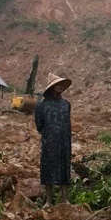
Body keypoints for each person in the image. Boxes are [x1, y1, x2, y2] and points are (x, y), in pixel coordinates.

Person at [35, 74, 72, 207]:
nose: (60, 87)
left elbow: (68, 123)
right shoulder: (41, 105)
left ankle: (64, 198)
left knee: (64, 167)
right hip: (49, 142)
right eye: (57, 85)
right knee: (48, 167)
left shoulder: (66, 104)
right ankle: (48, 200)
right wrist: (49, 134)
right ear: (51, 87)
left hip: (64, 141)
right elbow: (39, 125)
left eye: (61, 85)